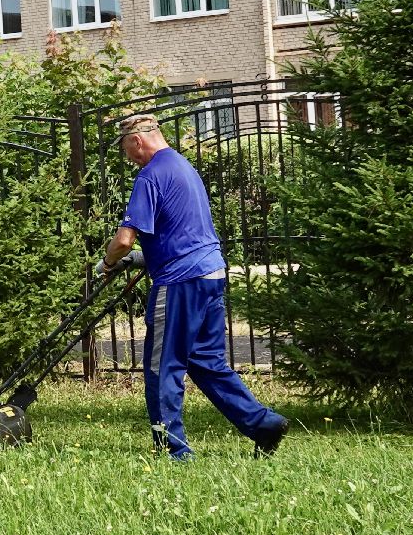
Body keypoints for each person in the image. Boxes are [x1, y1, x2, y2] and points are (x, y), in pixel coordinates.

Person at [94, 114, 287, 461]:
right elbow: (180, 232)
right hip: (210, 274)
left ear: (137, 141)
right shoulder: (184, 167)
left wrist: (107, 263)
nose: (129, 158)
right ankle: (264, 424)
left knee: (162, 365)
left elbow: (123, 240)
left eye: (127, 151)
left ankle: (173, 450)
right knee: (206, 361)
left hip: (179, 282)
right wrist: (142, 259)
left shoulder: (150, 175)